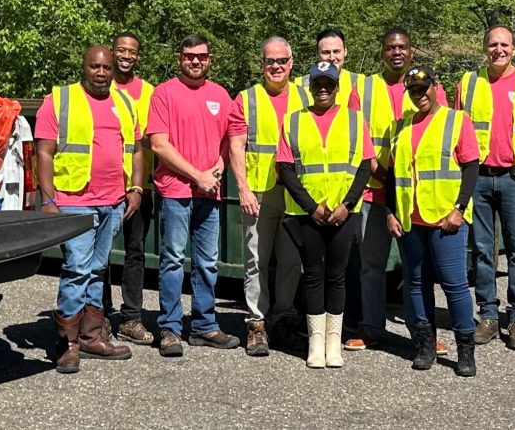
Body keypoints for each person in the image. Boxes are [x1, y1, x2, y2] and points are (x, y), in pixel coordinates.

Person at [35, 45, 142, 374]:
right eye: (95, 67)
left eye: (106, 67)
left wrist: (136, 188)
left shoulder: (125, 102)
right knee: (78, 269)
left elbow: (137, 149)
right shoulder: (60, 99)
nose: (101, 73)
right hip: (74, 201)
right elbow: (44, 152)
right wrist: (49, 200)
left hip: (113, 201)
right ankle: (67, 344)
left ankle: (92, 337)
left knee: (97, 270)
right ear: (83, 67)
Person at [344, 28, 450, 354]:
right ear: (382, 52)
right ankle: (372, 328)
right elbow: (355, 136)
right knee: (371, 267)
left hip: (413, 199)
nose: (396, 52)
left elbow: (442, 133)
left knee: (417, 271)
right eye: (390, 47)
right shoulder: (364, 88)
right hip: (373, 192)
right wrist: (378, 170)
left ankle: (423, 333)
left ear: (412, 51)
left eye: (402, 46)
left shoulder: (429, 88)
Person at [455, 25, 515, 349]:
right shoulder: (469, 83)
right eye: (493, 44)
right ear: (485, 48)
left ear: (513, 49)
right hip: (479, 177)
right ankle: (488, 316)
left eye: (504, 44)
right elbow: (456, 132)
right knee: (483, 251)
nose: (499, 49)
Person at [276, 61, 373, 368]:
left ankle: (334, 342)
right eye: (317, 83)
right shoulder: (293, 121)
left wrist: (347, 204)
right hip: (308, 214)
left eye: (328, 84)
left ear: (336, 87)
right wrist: (311, 207)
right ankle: (316, 343)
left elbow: (364, 165)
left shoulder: (355, 119)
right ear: (310, 87)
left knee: (337, 276)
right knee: (313, 275)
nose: (322, 89)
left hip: (344, 211)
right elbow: (286, 169)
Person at [385, 65, 480, 377]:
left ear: (435, 87)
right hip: (410, 220)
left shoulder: (457, 120)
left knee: (454, 285)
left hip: (444, 219)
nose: (419, 94)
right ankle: (425, 345)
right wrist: (390, 212)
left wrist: (459, 208)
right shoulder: (400, 126)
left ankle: (465, 351)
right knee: (416, 283)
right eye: (413, 90)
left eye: (423, 88)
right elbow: (392, 174)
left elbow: (471, 167)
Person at [149, 34, 238, 357]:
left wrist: (219, 166)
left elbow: (230, 139)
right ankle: (170, 328)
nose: (195, 61)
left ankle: (204, 325)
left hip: (209, 192)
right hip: (176, 191)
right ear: (180, 58)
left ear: (210, 59)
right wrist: (197, 175)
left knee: (207, 263)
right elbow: (159, 145)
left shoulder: (221, 95)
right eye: (189, 56)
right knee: (173, 260)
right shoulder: (163, 93)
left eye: (201, 56)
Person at [228, 36, 311, 356]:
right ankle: (257, 324)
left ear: (291, 63)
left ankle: (283, 320)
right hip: (259, 193)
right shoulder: (246, 98)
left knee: (291, 262)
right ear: (261, 64)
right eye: (269, 61)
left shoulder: (306, 96)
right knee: (256, 260)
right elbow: (236, 146)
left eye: (281, 61)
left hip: (295, 193)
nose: (276, 66)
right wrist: (243, 189)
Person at [99, 31, 155, 345]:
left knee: (135, 253)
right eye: (121, 50)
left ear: (138, 56)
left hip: (137, 186)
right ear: (112, 52)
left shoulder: (149, 92)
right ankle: (100, 315)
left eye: (132, 51)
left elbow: (150, 140)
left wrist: (139, 185)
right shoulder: (98, 88)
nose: (126, 56)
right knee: (100, 254)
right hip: (103, 187)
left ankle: (131, 318)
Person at [293, 29, 363, 108]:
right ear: (317, 54)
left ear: (345, 51)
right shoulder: (300, 84)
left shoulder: (359, 81)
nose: (332, 58)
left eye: (336, 51)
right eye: (326, 52)